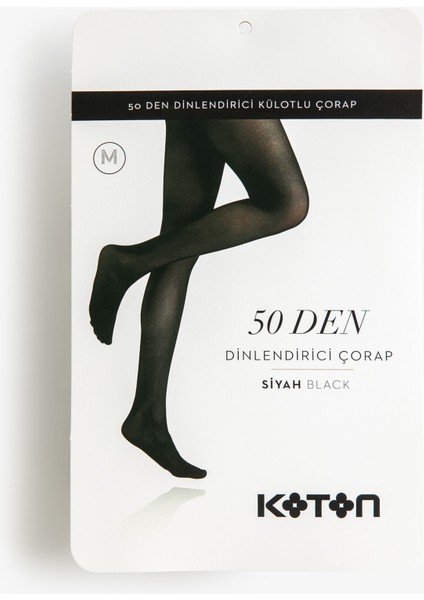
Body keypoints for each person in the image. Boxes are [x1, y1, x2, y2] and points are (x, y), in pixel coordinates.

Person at [89, 118, 309, 479]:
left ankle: (147, 415)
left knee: (181, 238)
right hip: (225, 84)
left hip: (190, 84)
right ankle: (127, 263)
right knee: (286, 203)